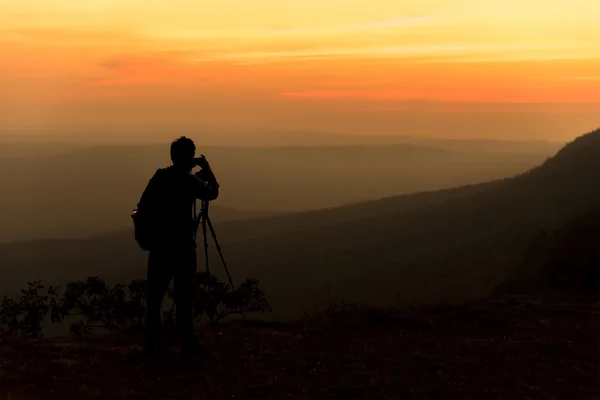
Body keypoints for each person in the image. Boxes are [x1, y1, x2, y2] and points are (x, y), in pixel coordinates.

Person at [140, 136, 219, 357]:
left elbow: (143, 204)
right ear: (189, 156)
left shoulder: (159, 177)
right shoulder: (188, 182)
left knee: (155, 298)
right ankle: (187, 344)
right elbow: (212, 192)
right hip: (183, 248)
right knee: (184, 298)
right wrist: (206, 170)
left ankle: (151, 344)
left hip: (159, 246)